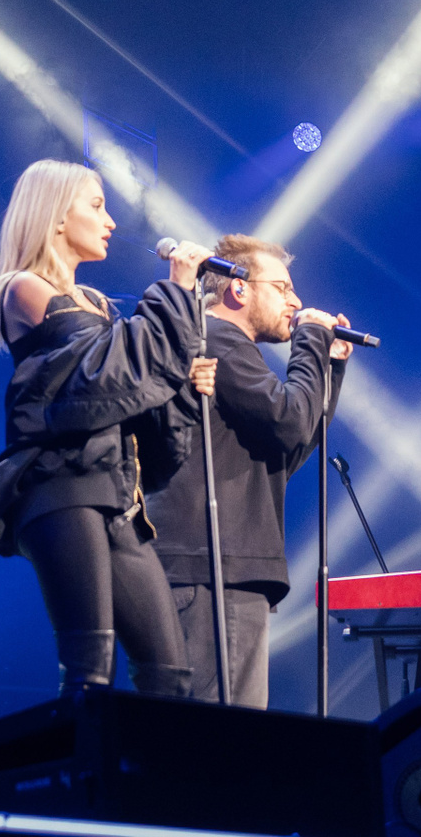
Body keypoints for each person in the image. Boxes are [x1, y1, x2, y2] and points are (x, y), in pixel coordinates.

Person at [0, 159, 219, 698]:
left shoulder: (102, 305)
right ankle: (80, 755)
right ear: (57, 216)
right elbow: (100, 377)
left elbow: (131, 389)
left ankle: (147, 759)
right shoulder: (24, 290)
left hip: (118, 498)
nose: (110, 221)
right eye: (96, 205)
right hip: (63, 490)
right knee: (91, 665)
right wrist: (175, 292)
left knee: (170, 673)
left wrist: (182, 382)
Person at [146, 234, 351, 707]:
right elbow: (288, 421)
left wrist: (329, 369)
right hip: (211, 568)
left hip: (220, 568)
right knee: (223, 733)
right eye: (283, 288)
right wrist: (311, 342)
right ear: (239, 289)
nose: (296, 302)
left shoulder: (223, 343)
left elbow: (285, 451)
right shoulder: (218, 337)